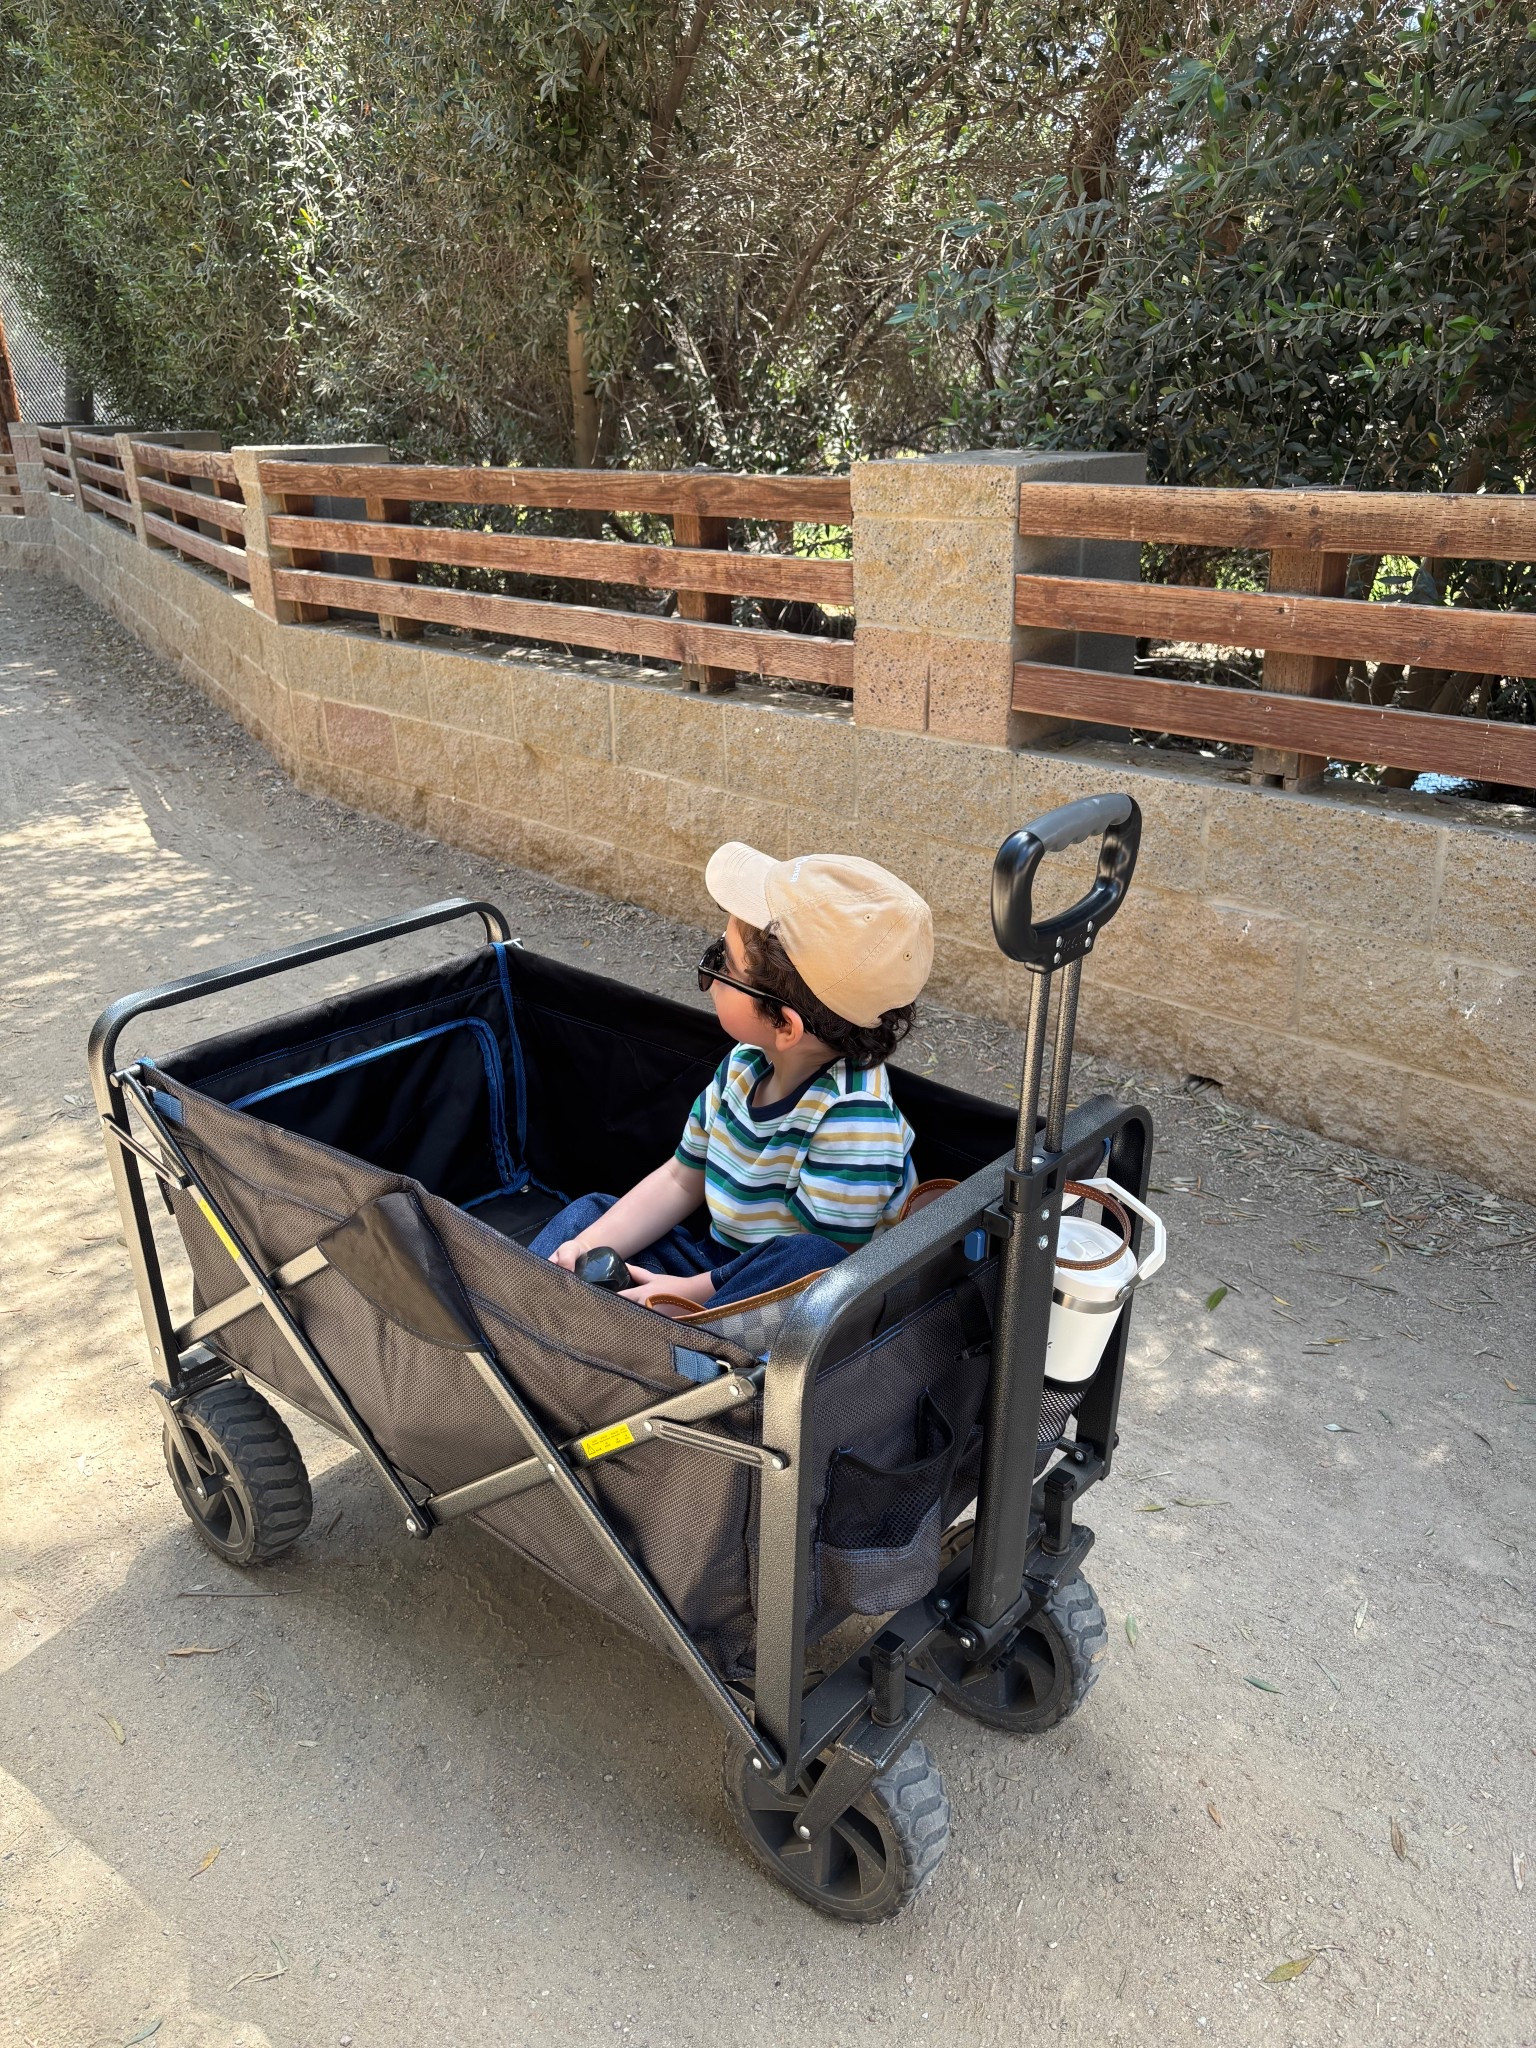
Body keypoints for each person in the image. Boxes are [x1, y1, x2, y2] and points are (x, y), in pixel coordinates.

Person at [528, 842, 933, 1313]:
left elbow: (823, 1275)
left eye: (724, 963)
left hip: (794, 1308)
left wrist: (688, 1296)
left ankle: (678, 1348)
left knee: (807, 1258)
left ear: (785, 1025)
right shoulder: (745, 1063)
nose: (713, 973)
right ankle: (523, 1309)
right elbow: (682, 1179)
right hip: (715, 1264)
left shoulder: (855, 1123)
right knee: (589, 1217)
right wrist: (589, 1249)